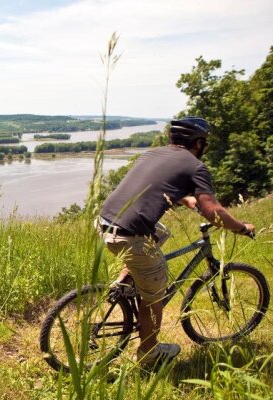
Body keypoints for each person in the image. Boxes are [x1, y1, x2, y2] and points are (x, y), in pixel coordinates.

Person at [98, 116, 255, 368]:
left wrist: (185, 198)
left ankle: (125, 281)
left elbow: (158, 183)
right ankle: (150, 355)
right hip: (131, 234)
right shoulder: (195, 166)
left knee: (161, 233)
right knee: (155, 294)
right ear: (200, 142)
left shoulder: (154, 154)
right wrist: (241, 227)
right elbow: (212, 210)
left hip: (106, 222)